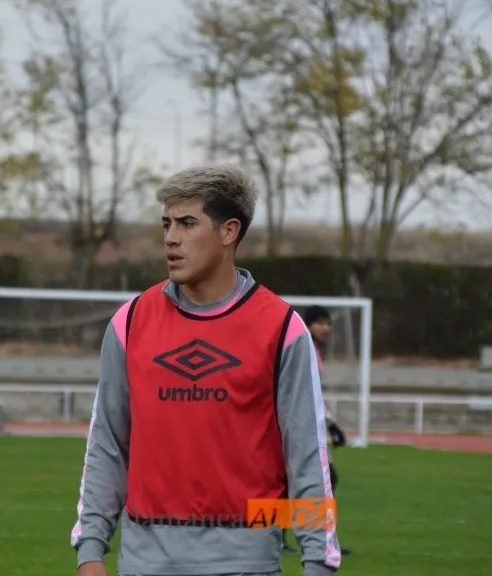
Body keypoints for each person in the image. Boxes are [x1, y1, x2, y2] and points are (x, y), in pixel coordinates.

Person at [72, 165, 342, 576]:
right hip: (143, 562)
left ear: (229, 231)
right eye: (166, 224)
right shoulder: (130, 323)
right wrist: (91, 548)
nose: (171, 238)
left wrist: (318, 561)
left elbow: (306, 456)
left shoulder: (281, 329)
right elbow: (107, 442)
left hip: (246, 562)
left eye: (187, 223)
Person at [283, 306, 352, 556]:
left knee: (322, 479)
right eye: (320, 323)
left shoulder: (314, 349)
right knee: (313, 479)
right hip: (295, 424)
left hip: (308, 423)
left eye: (328, 323)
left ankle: (316, 538)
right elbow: (302, 390)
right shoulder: (303, 348)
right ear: (309, 324)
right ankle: (306, 538)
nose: (326, 328)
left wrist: (330, 423)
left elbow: (314, 392)